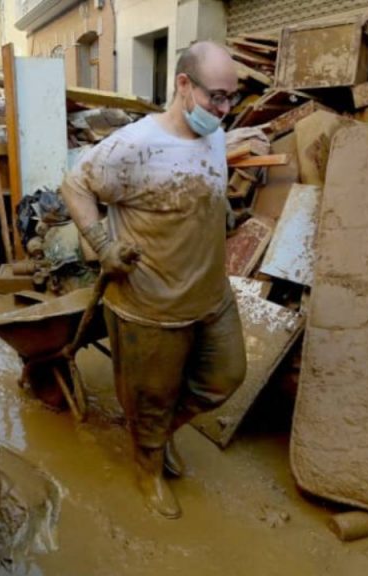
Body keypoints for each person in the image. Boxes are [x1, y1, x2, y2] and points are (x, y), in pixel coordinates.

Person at [61, 41, 246, 519]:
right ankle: (148, 469)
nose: (224, 111)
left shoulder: (215, 134)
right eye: (216, 98)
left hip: (211, 295)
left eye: (232, 98)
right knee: (150, 399)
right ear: (184, 85)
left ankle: (158, 437)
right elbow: (75, 185)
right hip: (151, 305)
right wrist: (103, 246)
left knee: (226, 376)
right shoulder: (134, 145)